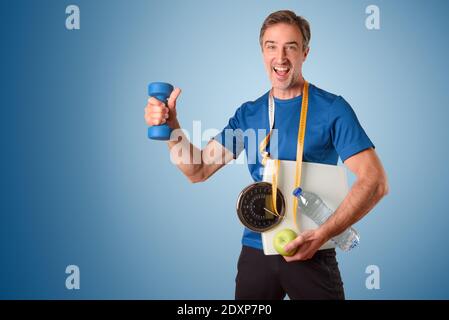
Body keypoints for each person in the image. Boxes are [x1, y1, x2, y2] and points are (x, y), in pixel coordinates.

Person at [144, 10, 389, 300]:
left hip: (312, 249)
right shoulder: (248, 114)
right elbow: (197, 170)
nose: (281, 57)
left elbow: (375, 182)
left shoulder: (333, 109)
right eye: (272, 46)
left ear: (305, 53)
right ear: (262, 52)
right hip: (256, 250)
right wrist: (172, 128)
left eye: (291, 47)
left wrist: (323, 233)